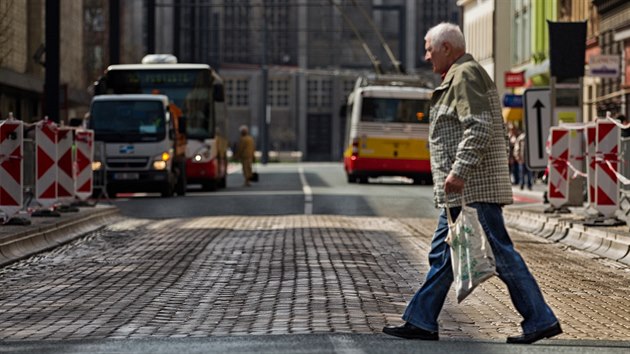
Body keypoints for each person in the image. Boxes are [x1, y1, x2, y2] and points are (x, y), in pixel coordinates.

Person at [382, 23, 561, 344]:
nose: (426, 56)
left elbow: (478, 127)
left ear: (447, 48)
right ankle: (421, 319)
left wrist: (459, 172)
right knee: (442, 255)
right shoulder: (459, 76)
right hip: (462, 192)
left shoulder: (465, 76)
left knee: (502, 256)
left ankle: (539, 318)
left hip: (472, 190)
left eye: (429, 49)